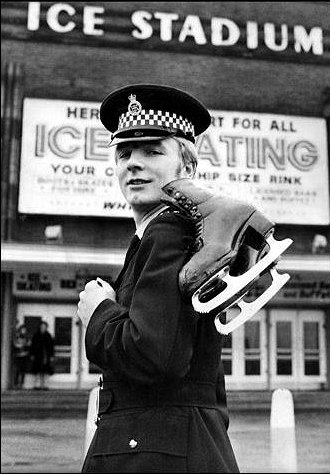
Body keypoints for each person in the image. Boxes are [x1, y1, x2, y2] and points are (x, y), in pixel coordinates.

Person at [77, 84, 240, 472]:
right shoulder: (165, 236)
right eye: (124, 152)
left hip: (155, 451)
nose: (134, 162)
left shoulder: (168, 233)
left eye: (153, 151)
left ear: (186, 167)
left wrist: (99, 313)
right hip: (166, 445)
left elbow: (153, 357)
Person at [30, 320, 55, 390]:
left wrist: (51, 356)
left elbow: (51, 347)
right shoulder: (36, 336)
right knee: (37, 371)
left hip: (45, 356)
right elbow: (32, 346)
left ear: (46, 327)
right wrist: (32, 354)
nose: (43, 328)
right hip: (37, 356)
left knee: (45, 371)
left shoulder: (48, 336)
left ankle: (45, 386)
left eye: (44, 327)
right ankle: (37, 385)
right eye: (42, 326)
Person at [13, 324, 31, 389]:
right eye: (22, 330)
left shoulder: (27, 338)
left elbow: (28, 347)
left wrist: (26, 346)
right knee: (17, 370)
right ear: (20, 330)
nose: (23, 331)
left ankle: (21, 384)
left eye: (24, 330)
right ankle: (15, 384)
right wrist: (19, 346)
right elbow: (15, 346)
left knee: (23, 370)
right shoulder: (17, 337)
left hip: (25, 356)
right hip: (18, 356)